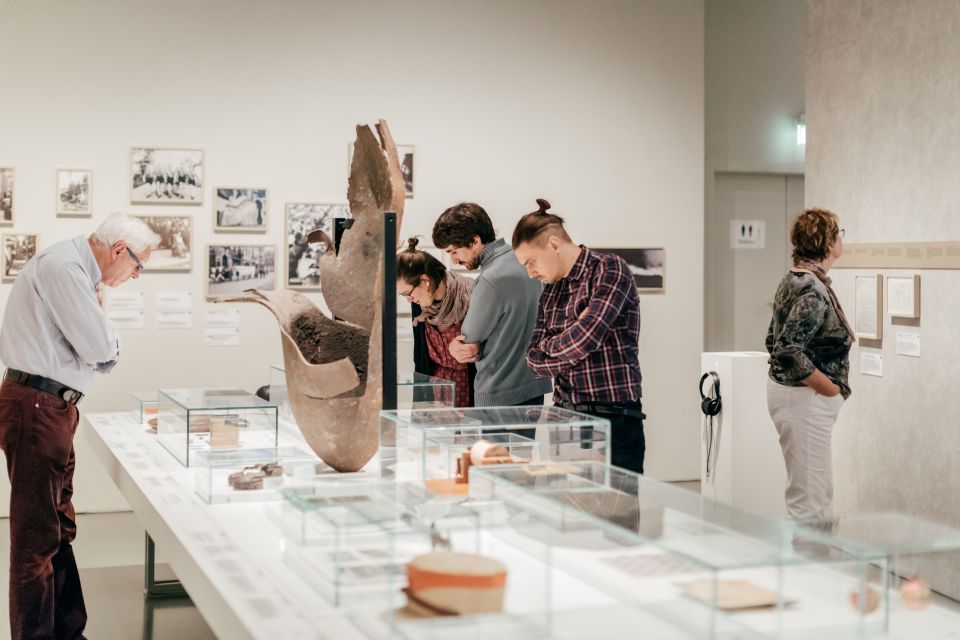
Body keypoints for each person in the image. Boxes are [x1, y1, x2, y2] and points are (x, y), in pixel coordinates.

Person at [0, 212, 160, 640]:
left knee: (58, 528)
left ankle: (67, 632)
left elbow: (97, 347)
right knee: (36, 540)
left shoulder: (73, 270)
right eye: (138, 265)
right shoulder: (64, 268)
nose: (135, 275)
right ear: (119, 250)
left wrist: (103, 338)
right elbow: (100, 347)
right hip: (38, 406)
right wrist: (108, 337)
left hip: (51, 405)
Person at [512, 199, 645, 473]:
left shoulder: (609, 270)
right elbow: (534, 360)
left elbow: (586, 339)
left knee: (617, 511)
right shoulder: (551, 291)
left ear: (553, 244)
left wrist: (555, 344)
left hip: (612, 416)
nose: (530, 272)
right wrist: (572, 337)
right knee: (568, 507)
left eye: (531, 262)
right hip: (565, 416)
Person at [766, 208, 852, 522]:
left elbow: (770, 340)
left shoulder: (795, 279)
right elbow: (786, 349)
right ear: (828, 243)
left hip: (797, 398)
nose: (842, 238)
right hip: (804, 400)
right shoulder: (813, 290)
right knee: (811, 501)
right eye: (839, 233)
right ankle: (810, 566)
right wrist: (828, 388)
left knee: (813, 492)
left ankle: (815, 563)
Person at [432, 202, 551, 409]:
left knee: (492, 444)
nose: (454, 260)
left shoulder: (491, 279)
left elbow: (467, 339)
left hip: (499, 393)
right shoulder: (523, 263)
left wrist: (453, 346)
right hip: (533, 387)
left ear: (475, 240)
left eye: (454, 251)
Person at [397, 237, 475, 407]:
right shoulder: (420, 305)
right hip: (435, 390)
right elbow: (420, 356)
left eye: (407, 293)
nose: (409, 300)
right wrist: (421, 403)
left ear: (425, 281)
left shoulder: (470, 295)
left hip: (471, 389)